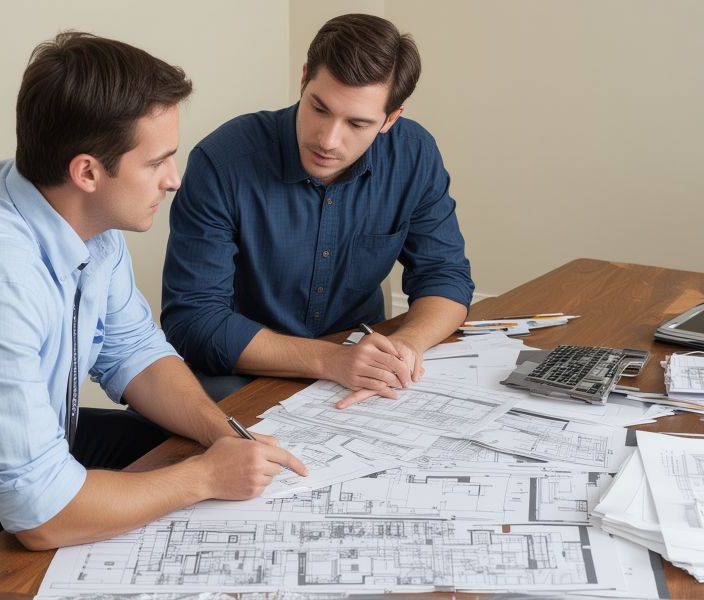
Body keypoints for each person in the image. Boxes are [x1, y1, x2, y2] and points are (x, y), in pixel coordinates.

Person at [0, 32, 305, 576]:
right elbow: (40, 514)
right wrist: (204, 478)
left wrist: (223, 435)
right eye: (157, 162)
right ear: (87, 171)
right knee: (179, 495)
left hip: (44, 439)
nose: (173, 180)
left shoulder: (84, 217)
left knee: (181, 447)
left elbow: (135, 352)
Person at [162, 14, 474, 407]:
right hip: (243, 371)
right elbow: (194, 321)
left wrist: (405, 347)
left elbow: (444, 276)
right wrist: (332, 361)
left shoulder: (413, 155)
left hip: (358, 361)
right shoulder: (222, 162)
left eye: (357, 123)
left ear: (391, 119)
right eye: (320, 108)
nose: (328, 140)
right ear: (304, 79)